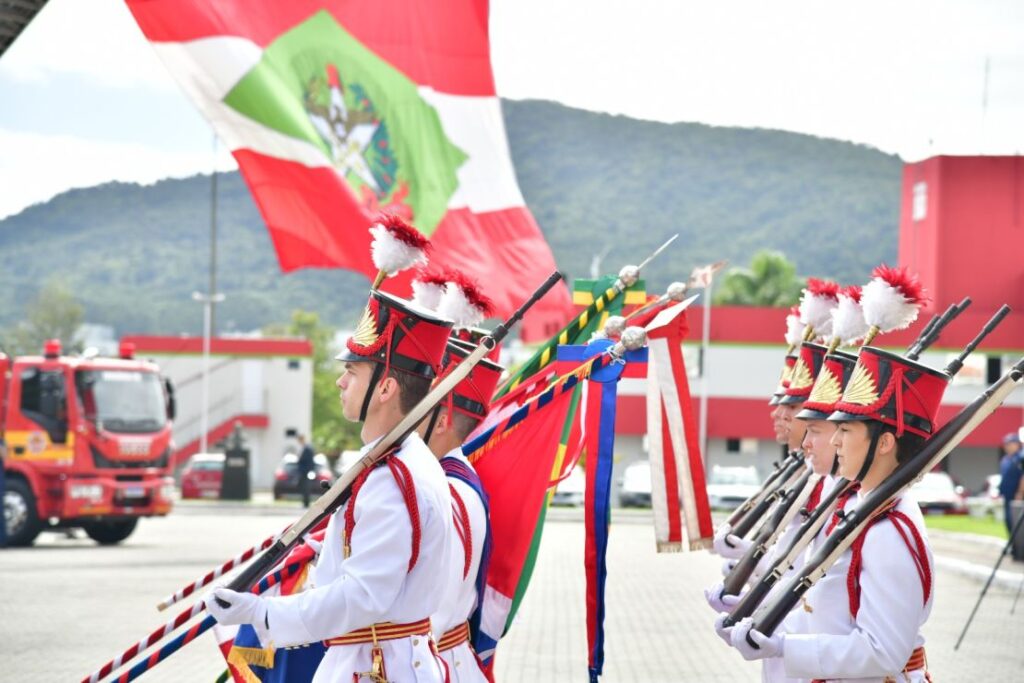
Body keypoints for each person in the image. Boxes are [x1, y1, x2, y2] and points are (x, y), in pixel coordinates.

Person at [206, 290, 455, 682]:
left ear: (385, 388)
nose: (340, 382)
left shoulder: (391, 477)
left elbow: (362, 596)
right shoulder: (404, 462)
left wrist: (260, 612)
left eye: (352, 372)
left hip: (375, 666)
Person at [731, 345, 949, 682]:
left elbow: (882, 652)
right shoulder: (863, 508)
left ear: (884, 443)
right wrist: (758, 621)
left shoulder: (889, 529)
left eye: (845, 430)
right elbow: (822, 609)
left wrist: (785, 648)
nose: (835, 442)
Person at [420, 338, 503, 681]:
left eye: (414, 409)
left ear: (441, 424)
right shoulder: (446, 480)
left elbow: (430, 620)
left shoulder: (448, 491)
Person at [998, 432, 1024, 543]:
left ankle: (1019, 547)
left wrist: (1020, 492)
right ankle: (1013, 545)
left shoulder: (1020, 457)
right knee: (1008, 521)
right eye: (1006, 444)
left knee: (1016, 522)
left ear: (1017, 444)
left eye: (1010, 444)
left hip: (1017, 496)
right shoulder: (1006, 459)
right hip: (1007, 495)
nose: (1007, 446)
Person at [296, 434, 315, 508]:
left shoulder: (307, 448)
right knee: (303, 487)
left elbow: (309, 461)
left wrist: (309, 471)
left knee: (306, 487)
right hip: (303, 471)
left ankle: (306, 503)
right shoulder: (304, 448)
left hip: (306, 471)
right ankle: (305, 502)